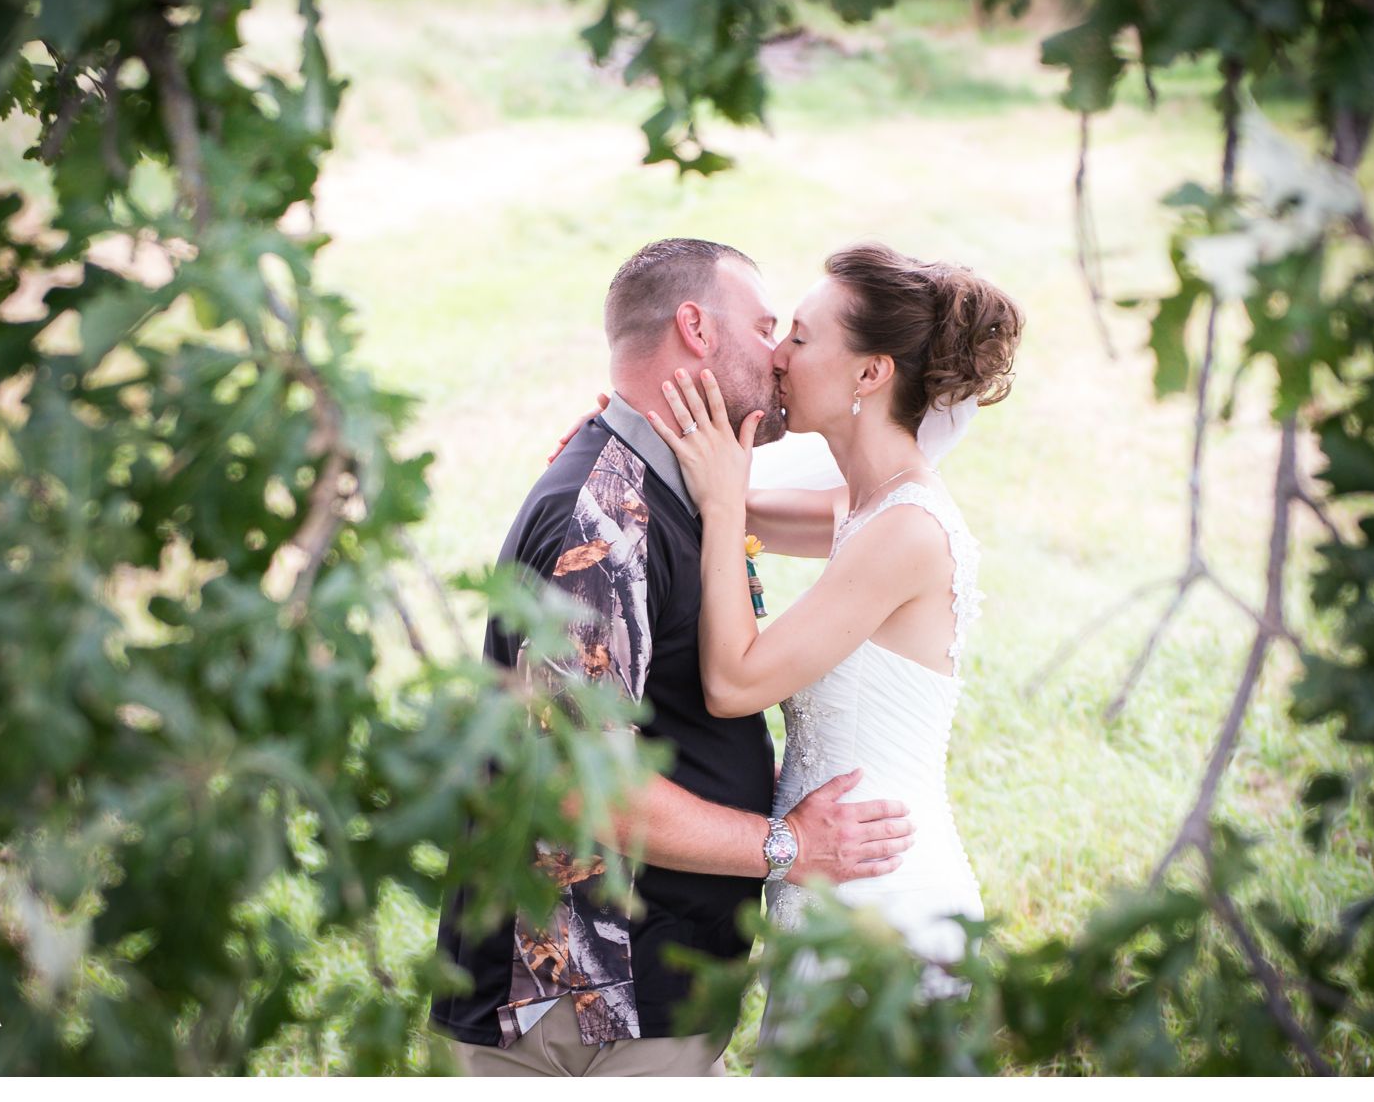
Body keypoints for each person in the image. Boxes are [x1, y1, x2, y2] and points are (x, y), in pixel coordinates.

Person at [429, 238, 922, 1077]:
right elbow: (587, 791)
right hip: (583, 1006)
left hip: (651, 991)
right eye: (767, 326)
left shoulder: (668, 488)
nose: (779, 355)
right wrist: (791, 846)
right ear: (695, 327)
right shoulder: (601, 520)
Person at [639, 241, 1023, 1053]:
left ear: (869, 374)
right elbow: (736, 508)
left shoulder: (906, 532)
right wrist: (638, 447)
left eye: (802, 338)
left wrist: (719, 497)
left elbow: (735, 681)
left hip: (882, 902)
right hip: (831, 885)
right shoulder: (862, 503)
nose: (776, 355)